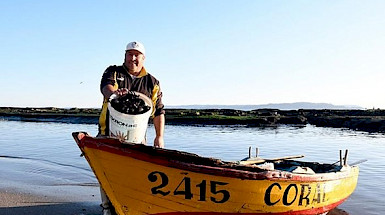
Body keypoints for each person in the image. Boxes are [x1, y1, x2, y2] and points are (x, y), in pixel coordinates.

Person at [97, 41, 165, 215]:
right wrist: (113, 93)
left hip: (138, 136)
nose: (133, 58)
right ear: (125, 55)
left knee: (135, 172)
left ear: (143, 58)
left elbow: (158, 110)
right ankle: (107, 208)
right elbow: (106, 87)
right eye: (129, 54)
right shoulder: (113, 71)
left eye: (137, 55)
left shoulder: (152, 82)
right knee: (106, 172)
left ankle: (129, 204)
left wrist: (159, 136)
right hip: (108, 133)